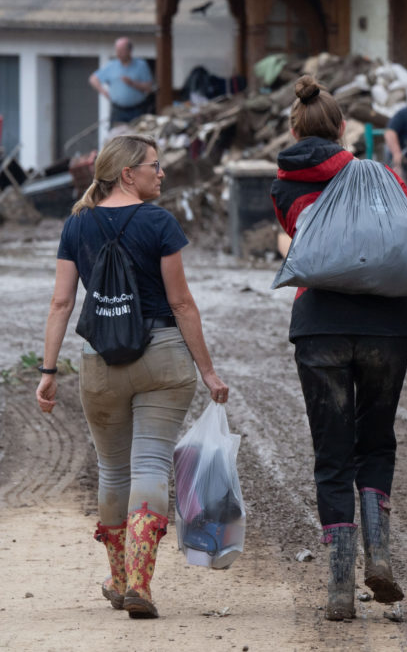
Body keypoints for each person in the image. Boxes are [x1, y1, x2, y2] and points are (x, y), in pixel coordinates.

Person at [36, 134, 228, 619]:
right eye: (154, 166)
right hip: (163, 357)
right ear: (128, 173)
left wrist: (48, 370)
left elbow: (61, 302)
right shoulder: (159, 222)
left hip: (100, 362)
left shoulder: (77, 224)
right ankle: (140, 583)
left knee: (113, 471)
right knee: (150, 466)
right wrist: (208, 371)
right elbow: (181, 303)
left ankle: (119, 579)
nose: (161, 173)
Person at [271, 75, 407, 621]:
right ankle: (379, 554)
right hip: (386, 327)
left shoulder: (284, 187)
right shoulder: (382, 177)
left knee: (332, 452)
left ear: (294, 130)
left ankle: (338, 588)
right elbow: (406, 234)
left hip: (320, 328)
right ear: (343, 128)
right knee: (375, 442)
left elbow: (301, 244)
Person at [89, 38, 154, 126]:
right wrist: (104, 92)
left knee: (138, 133)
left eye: (121, 50)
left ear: (129, 50)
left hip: (137, 109)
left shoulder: (141, 65)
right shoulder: (112, 66)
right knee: (117, 133)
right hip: (118, 110)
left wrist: (133, 83)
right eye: (117, 50)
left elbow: (149, 88)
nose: (118, 53)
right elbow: (93, 79)